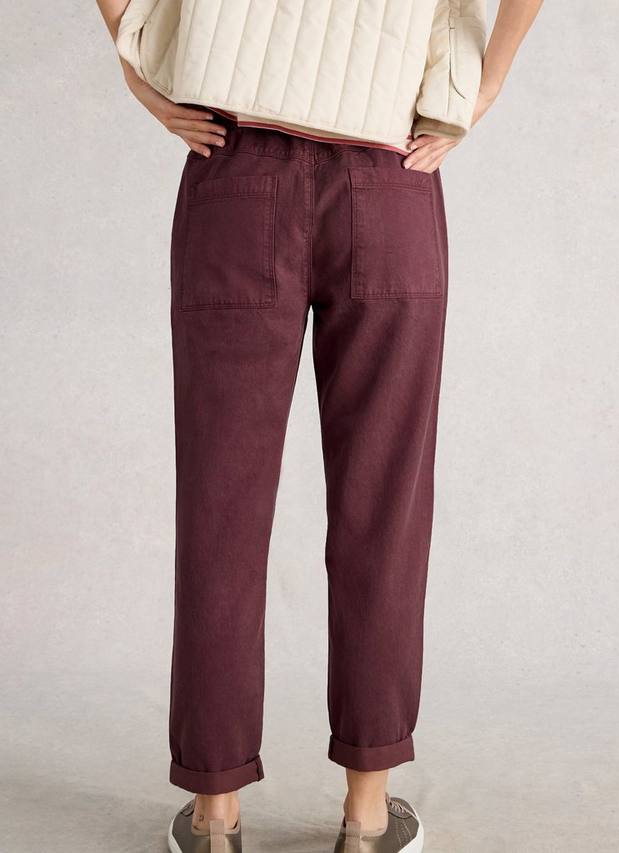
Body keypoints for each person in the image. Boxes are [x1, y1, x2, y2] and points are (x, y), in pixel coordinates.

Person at [97, 2, 543, 851]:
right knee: (385, 506)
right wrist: (485, 81)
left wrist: (137, 63)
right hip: (390, 174)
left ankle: (216, 814)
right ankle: (367, 814)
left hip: (236, 168)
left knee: (220, 507)